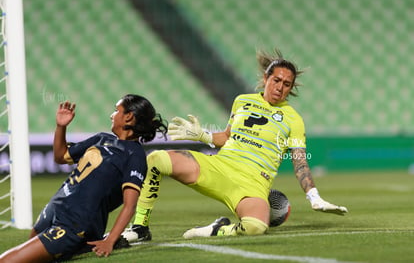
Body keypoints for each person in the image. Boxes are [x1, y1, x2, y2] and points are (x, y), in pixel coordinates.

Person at [122, 49, 348, 242]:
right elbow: (228, 137)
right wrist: (203, 135)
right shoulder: (242, 101)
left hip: (253, 183)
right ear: (266, 78)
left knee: (256, 227)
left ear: (291, 89)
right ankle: (140, 227)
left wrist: (314, 196)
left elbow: (299, 160)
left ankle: (217, 230)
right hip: (220, 166)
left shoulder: (293, 119)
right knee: (156, 159)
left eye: (286, 84)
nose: (280, 87)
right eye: (276, 80)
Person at [0, 94, 167, 262]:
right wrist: (60, 127)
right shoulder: (101, 138)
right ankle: (83, 246)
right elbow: (60, 156)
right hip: (55, 207)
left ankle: (84, 243)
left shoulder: (134, 156)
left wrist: (110, 240)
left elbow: (130, 205)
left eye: (116, 110)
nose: (112, 115)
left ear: (129, 117)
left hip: (75, 223)